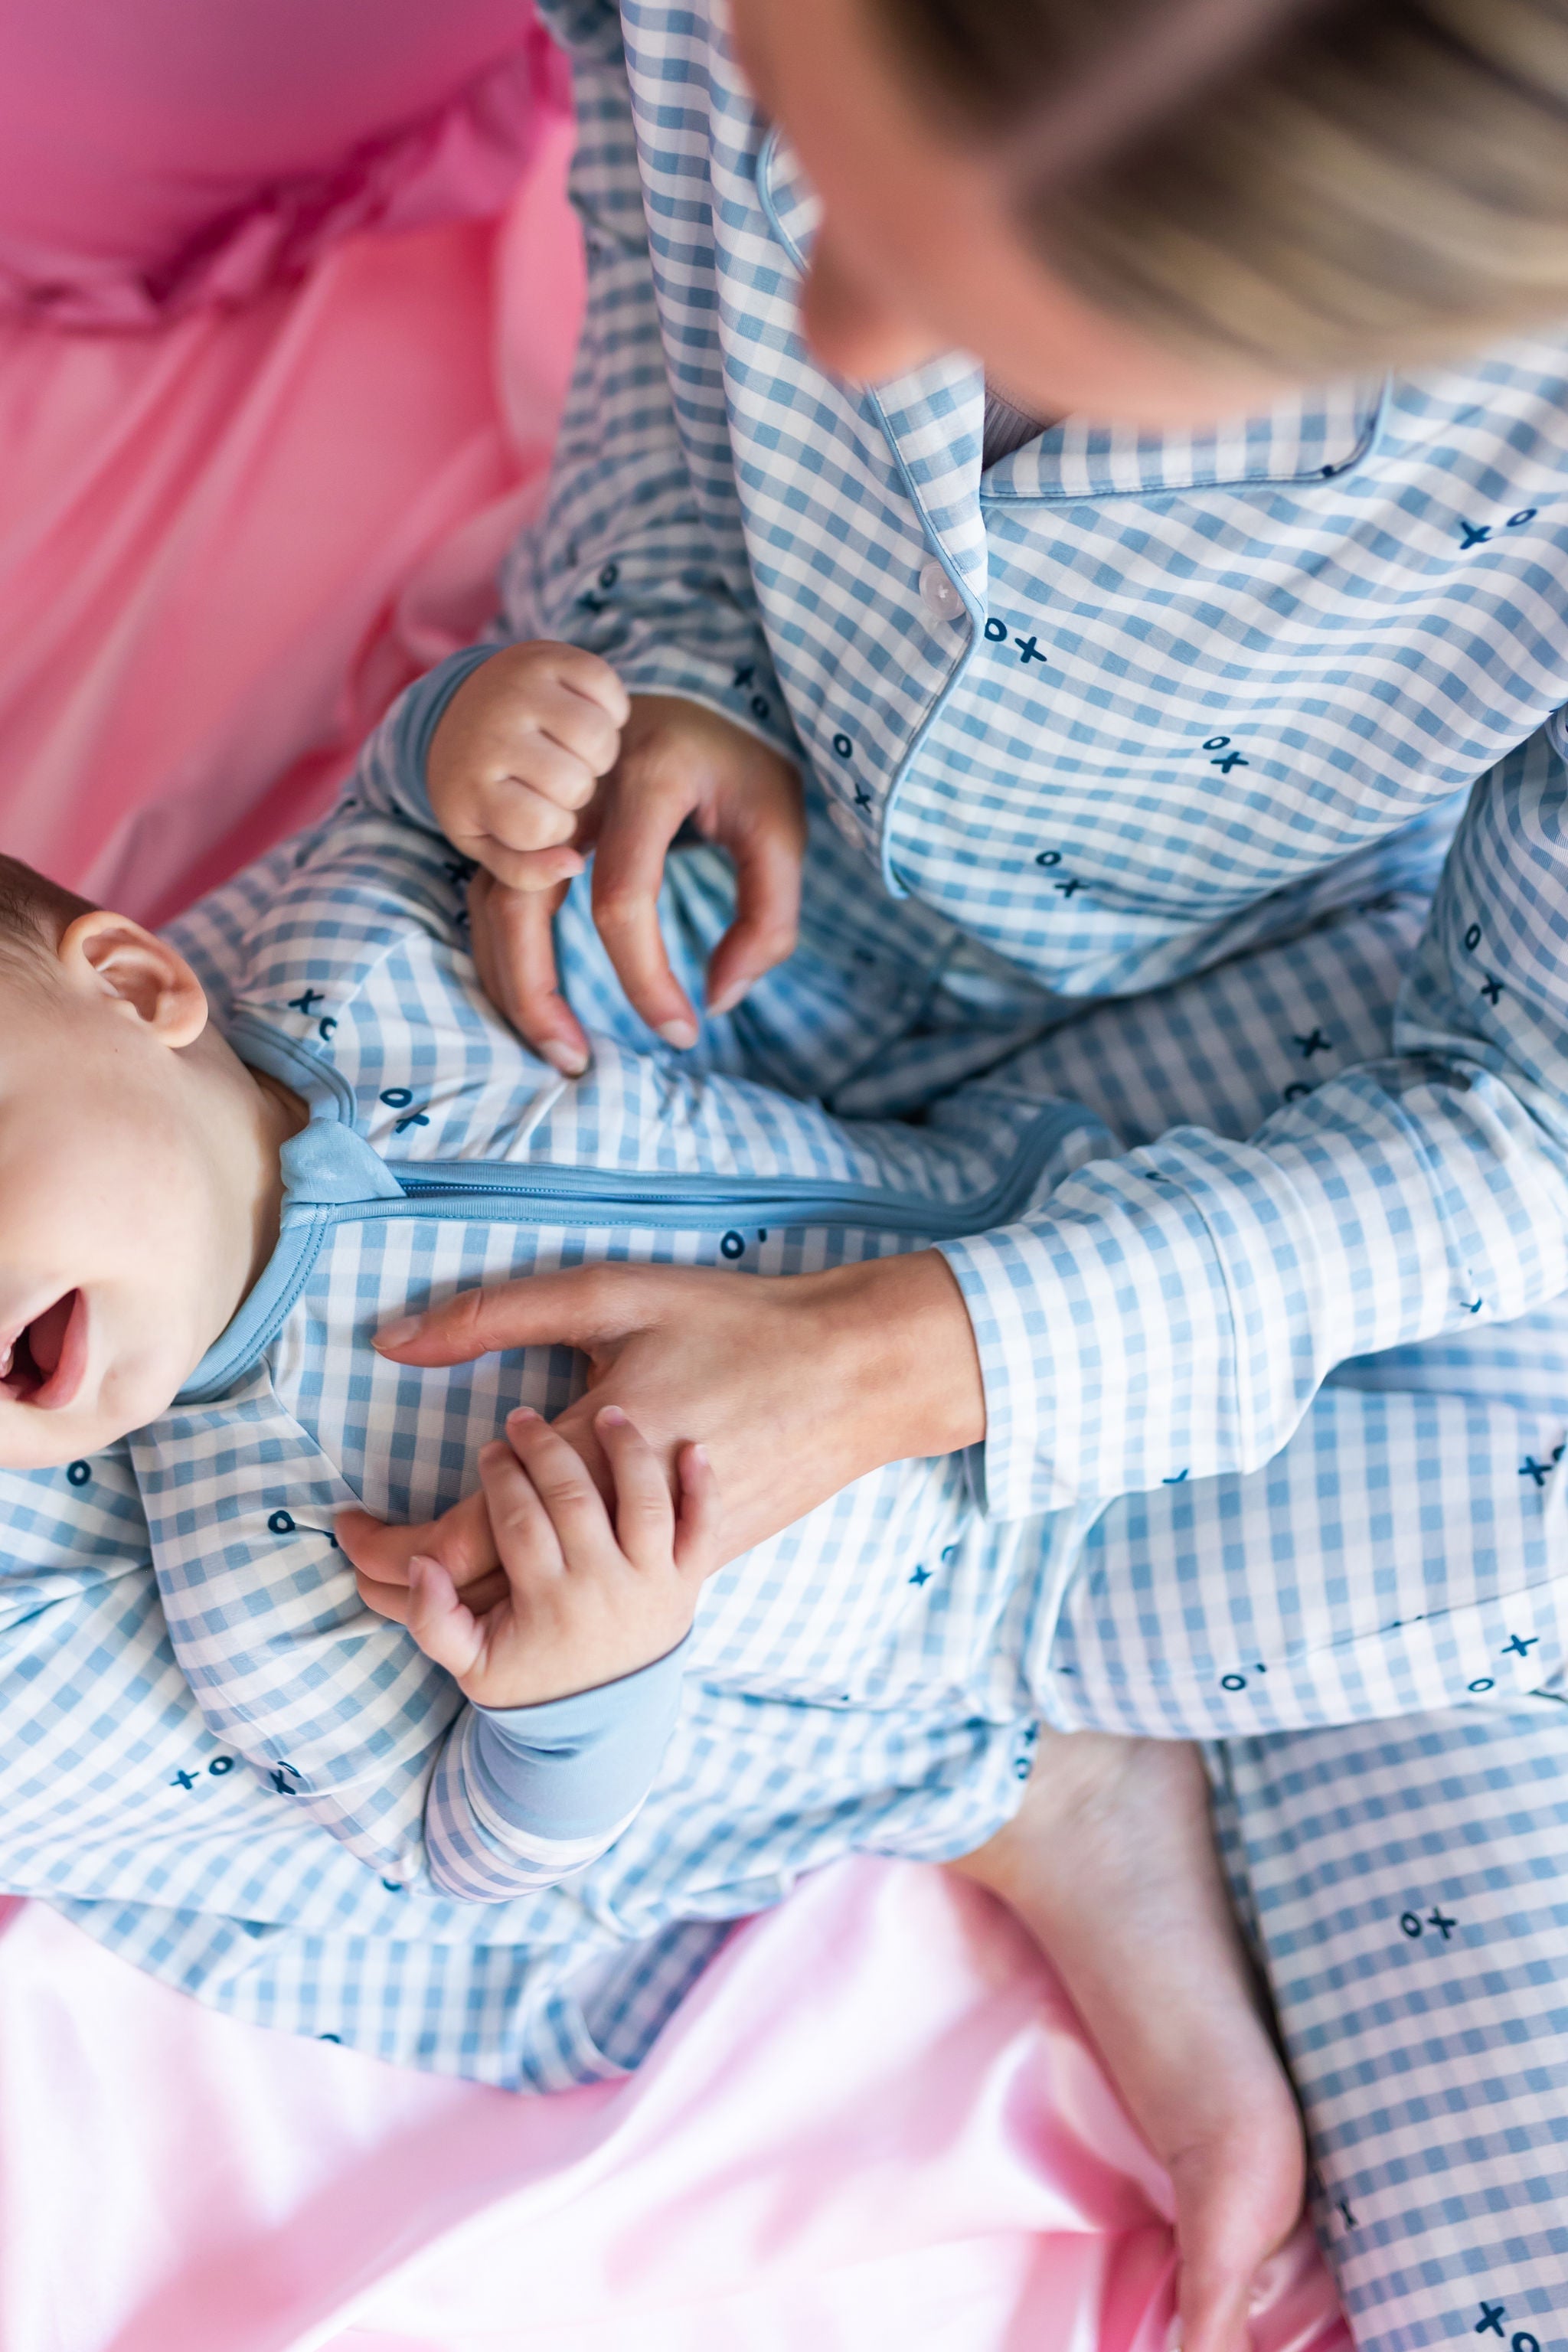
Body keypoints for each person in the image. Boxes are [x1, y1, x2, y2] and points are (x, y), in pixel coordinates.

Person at [337, 3, 1568, 2347]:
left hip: (1300, 1111)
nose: (848, 345)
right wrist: (666, 655)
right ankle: (1014, 1756)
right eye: (818, 158)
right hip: (704, 947)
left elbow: (1529, 1122)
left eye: (1049, 346)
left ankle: (1045, 1731)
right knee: (292, 1354)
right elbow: (683, 390)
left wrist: (926, 1361)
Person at [11, 628, 1551, 2350]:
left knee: (1427, 1119)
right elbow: (459, 1842)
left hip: (1029, 1184)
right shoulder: (251, 1542)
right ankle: (1071, 1801)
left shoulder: (348, 977)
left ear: (143, 989)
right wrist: (588, 1680)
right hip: (1019, 1592)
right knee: (1503, 1555)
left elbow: (408, 816)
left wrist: (472, 743)